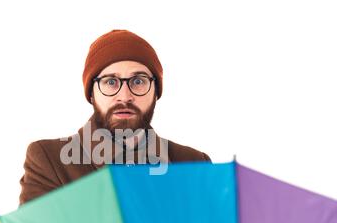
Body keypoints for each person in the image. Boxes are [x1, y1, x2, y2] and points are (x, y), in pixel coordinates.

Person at [19, 29, 211, 206]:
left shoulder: (194, 163)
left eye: (138, 81)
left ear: (155, 92)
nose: (125, 96)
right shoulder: (49, 159)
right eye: (111, 82)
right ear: (91, 93)